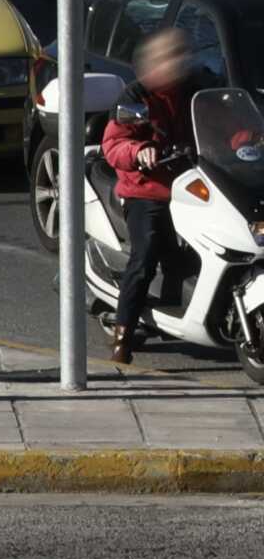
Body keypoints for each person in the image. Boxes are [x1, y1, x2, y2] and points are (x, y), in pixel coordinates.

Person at [101, 27, 194, 363]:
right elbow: (113, 145)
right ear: (150, 63)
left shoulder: (194, 90)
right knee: (147, 253)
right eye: (169, 56)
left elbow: (225, 122)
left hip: (194, 186)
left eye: (181, 54)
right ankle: (122, 336)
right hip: (147, 192)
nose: (178, 62)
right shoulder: (134, 97)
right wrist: (139, 151)